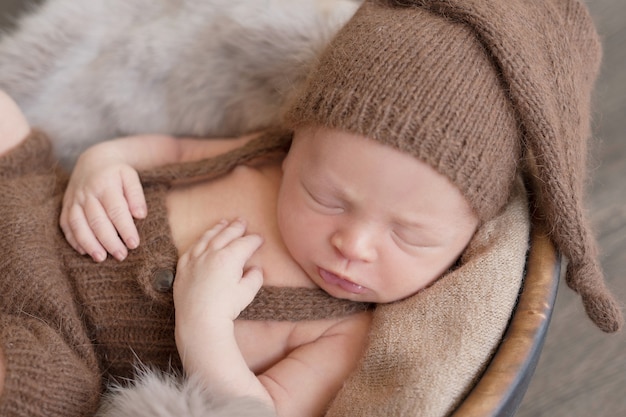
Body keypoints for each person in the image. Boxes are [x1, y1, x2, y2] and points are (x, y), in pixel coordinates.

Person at [1, 0, 623, 416]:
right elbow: (172, 146)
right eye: (325, 197)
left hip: (62, 339)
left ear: (467, 242)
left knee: (38, 390)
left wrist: (203, 326)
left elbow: (255, 407)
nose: (353, 244)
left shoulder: (342, 333)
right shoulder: (269, 156)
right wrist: (101, 164)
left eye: (410, 236)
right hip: (32, 202)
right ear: (296, 144)